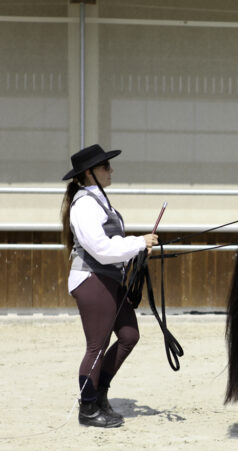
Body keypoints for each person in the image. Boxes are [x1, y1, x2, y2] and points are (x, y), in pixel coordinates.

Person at [60, 144, 158, 428]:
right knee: (97, 346)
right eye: (105, 166)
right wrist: (139, 242)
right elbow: (100, 248)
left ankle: (99, 393)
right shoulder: (85, 204)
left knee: (129, 335)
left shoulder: (100, 202)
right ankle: (88, 408)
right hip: (92, 278)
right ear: (89, 173)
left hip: (110, 279)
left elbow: (112, 246)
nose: (110, 170)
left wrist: (138, 249)